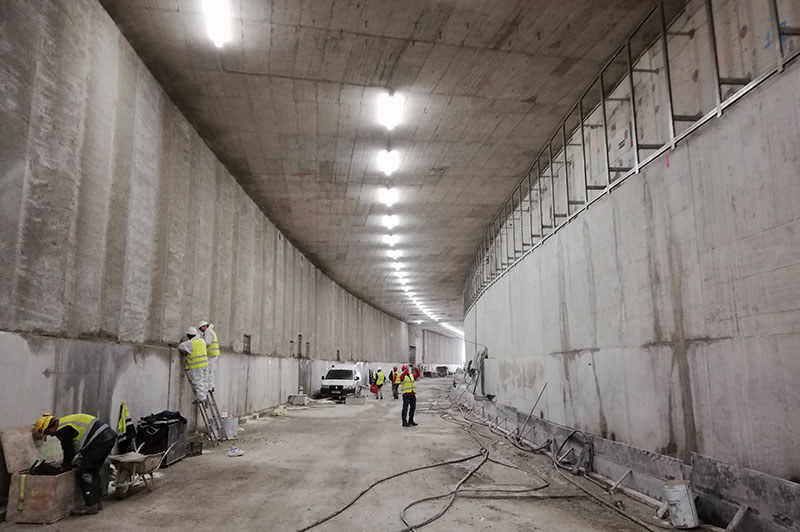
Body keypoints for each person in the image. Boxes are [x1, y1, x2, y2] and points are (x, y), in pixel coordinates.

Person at [33, 413, 117, 515]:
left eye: (48, 432)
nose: (50, 435)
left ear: (49, 427)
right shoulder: (65, 422)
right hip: (108, 437)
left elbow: (68, 451)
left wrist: (65, 466)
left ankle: (91, 505)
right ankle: (96, 502)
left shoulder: (62, 430)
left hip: (100, 439)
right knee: (93, 470)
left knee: (83, 472)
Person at [178, 326, 208, 402]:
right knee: (203, 381)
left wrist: (184, 342)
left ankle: (201, 398)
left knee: (198, 381)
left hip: (196, 365)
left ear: (189, 335)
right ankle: (204, 395)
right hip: (205, 364)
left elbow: (180, 347)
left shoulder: (190, 343)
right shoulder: (202, 341)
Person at [198, 320, 220, 393]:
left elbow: (207, 342)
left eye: (201, 329)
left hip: (212, 355)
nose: (201, 330)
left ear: (204, 326)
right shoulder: (209, 332)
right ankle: (210, 386)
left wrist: (199, 343)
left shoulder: (209, 332)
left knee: (210, 371)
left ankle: (210, 387)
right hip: (212, 354)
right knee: (209, 371)